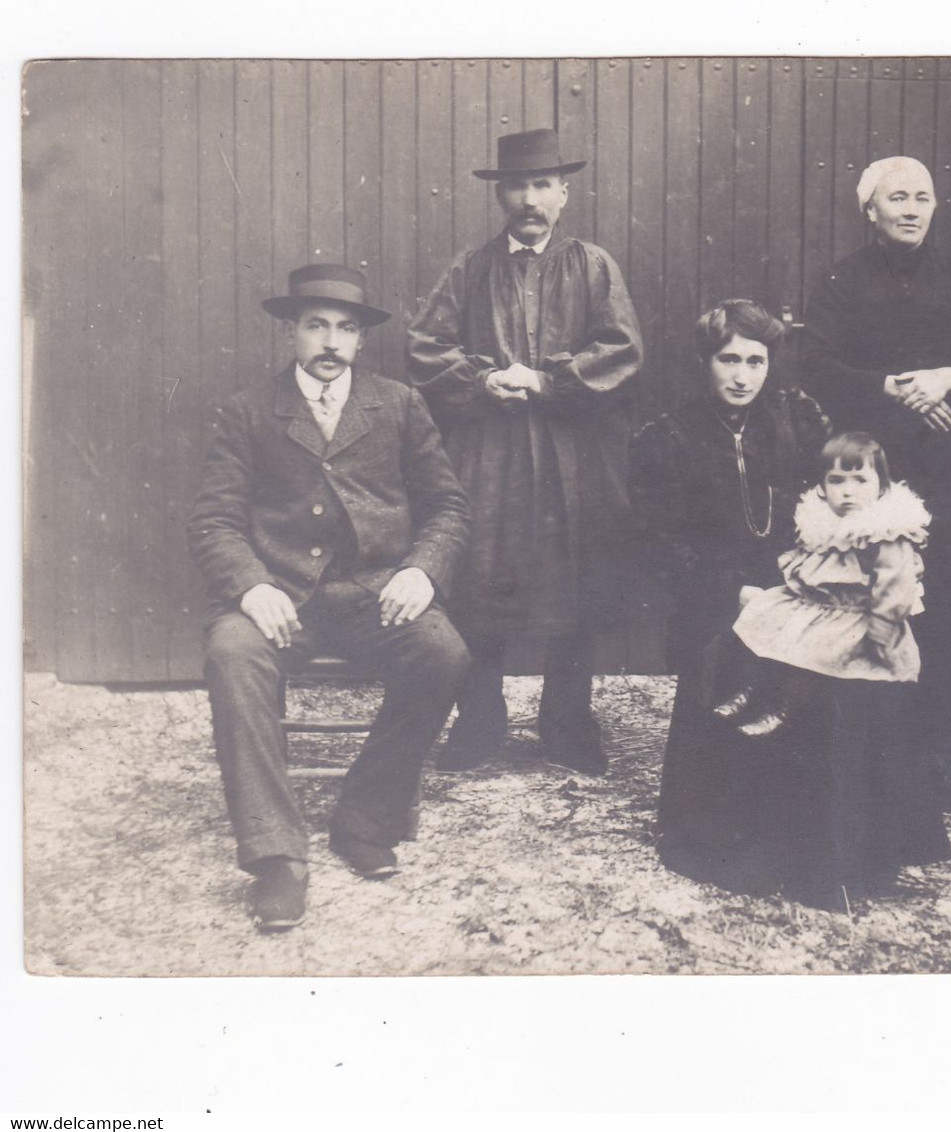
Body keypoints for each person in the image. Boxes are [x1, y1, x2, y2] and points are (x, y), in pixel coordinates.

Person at [632, 303, 949, 906]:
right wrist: (733, 591)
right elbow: (657, 542)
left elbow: (845, 496)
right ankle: (739, 840)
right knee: (736, 657)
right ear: (706, 362)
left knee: (849, 672)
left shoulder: (799, 418)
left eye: (756, 361)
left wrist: (830, 582)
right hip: (718, 594)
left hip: (808, 589)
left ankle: (837, 844)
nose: (742, 376)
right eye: (729, 360)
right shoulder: (666, 437)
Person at [189, 264, 471, 932]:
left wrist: (422, 572)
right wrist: (252, 585)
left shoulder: (398, 404)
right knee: (232, 655)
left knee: (444, 653)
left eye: (345, 328)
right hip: (281, 601)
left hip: (375, 597)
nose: (330, 342)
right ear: (291, 330)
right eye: (316, 325)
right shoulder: (249, 409)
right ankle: (276, 856)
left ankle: (365, 817)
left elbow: (448, 507)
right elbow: (214, 520)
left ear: (361, 340)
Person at [408, 127, 643, 776]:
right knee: (480, 582)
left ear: (564, 194)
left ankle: (568, 723)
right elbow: (426, 347)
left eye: (543, 184)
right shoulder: (470, 268)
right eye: (518, 185)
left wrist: (547, 379)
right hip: (490, 452)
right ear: (500, 195)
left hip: (572, 454)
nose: (530, 198)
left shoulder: (594, 265)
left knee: (574, 587)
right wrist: (482, 380)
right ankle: (479, 723)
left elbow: (622, 349)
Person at [797, 154, 951, 793]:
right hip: (881, 470)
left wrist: (948, 378)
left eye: (922, 197)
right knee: (886, 599)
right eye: (897, 198)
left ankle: (948, 751)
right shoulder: (842, 282)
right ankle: (883, 754)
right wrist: (892, 387)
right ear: (870, 211)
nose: (912, 209)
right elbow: (814, 363)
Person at [720, 432, 931, 738]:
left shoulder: (885, 532)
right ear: (822, 487)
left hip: (856, 617)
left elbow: (895, 589)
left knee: (808, 655)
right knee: (766, 619)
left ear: (882, 487)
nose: (848, 492)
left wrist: (881, 633)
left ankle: (783, 710)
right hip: (817, 607)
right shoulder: (822, 523)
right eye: (837, 480)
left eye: (860, 480)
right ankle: (753, 690)